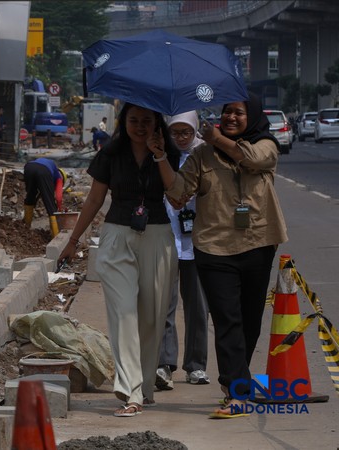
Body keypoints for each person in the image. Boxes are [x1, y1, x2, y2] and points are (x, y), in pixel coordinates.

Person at [155, 93, 287, 418]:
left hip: (258, 244)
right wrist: (160, 157)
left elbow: (252, 159)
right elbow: (177, 194)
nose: (231, 117)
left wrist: (216, 139)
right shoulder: (201, 154)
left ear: (251, 117)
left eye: (238, 113)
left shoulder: (266, 145)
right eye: (227, 111)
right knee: (227, 320)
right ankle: (235, 390)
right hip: (214, 249)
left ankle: (238, 379)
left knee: (250, 321)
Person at [57, 103, 181, 417]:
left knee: (152, 317)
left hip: (157, 237)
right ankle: (131, 391)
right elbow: (94, 199)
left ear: (157, 124)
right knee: (124, 314)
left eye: (147, 121)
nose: (140, 126)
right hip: (116, 238)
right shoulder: (110, 154)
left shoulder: (169, 153)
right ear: (123, 122)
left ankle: (146, 386)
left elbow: (177, 195)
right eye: (133, 120)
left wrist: (160, 156)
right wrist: (73, 241)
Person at [155, 111, 211, 392]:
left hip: (198, 239)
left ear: (195, 130)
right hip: (166, 237)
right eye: (175, 132)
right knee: (165, 303)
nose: (180, 138)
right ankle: (164, 364)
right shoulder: (160, 155)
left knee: (198, 306)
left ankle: (196, 365)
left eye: (186, 132)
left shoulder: (206, 155)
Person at [23, 157, 67, 237]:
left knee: (30, 197)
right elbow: (58, 197)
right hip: (44, 171)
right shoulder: (58, 177)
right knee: (50, 205)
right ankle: (55, 235)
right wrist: (59, 210)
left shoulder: (50, 165)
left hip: (28, 168)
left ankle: (26, 227)